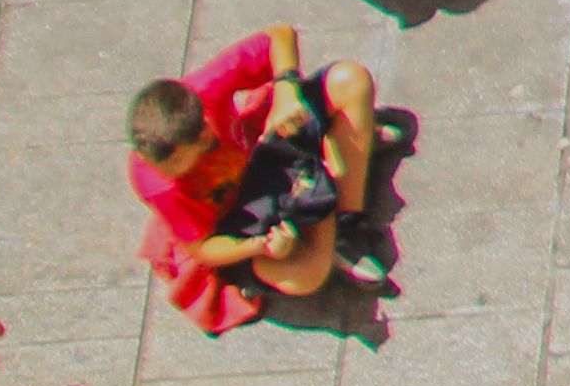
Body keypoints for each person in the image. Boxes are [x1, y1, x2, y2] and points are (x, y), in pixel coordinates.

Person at [126, 26, 390, 329]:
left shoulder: (203, 89)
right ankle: (339, 159)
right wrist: (261, 246)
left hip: (267, 151)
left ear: (202, 134)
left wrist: (286, 92)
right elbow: (203, 248)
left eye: (174, 164)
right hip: (248, 217)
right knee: (305, 277)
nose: (161, 173)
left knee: (351, 80)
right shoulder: (157, 184)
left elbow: (279, 35)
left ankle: (344, 223)